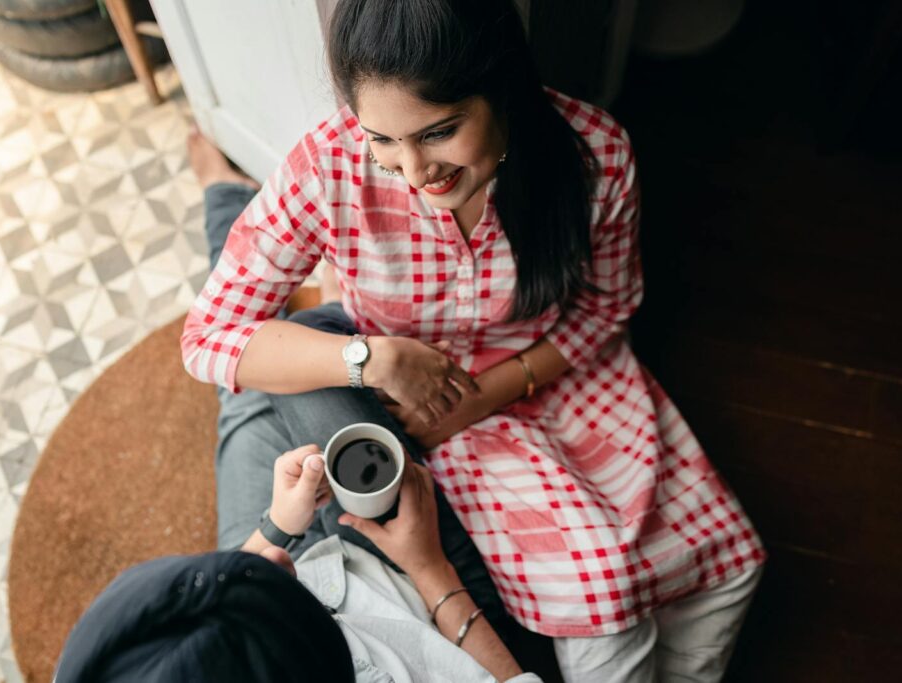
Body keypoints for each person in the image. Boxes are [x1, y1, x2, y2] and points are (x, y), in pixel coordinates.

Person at [180, 0, 766, 679]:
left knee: (725, 566)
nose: (413, 170)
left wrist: (490, 390)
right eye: (383, 139)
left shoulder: (596, 153)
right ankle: (222, 189)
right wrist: (371, 356)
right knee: (607, 593)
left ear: (503, 87)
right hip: (432, 404)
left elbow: (610, 306)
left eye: (439, 131)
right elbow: (209, 336)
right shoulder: (330, 165)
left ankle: (221, 192)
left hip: (565, 372)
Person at [54, 445, 542, 683]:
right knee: (310, 351)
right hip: (436, 604)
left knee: (252, 390)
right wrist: (431, 567)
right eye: (283, 585)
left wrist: (274, 528)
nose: (279, 559)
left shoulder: (99, 670)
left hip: (327, 563)